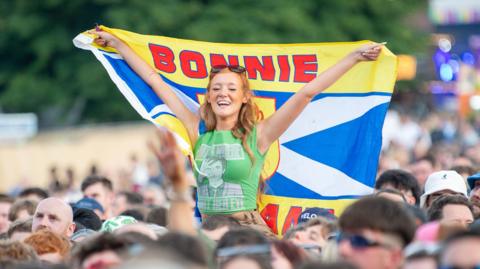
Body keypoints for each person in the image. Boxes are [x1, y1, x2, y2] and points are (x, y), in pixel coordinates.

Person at [92, 28, 382, 233]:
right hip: (206, 229)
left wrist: (353, 58)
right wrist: (118, 45)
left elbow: (306, 93)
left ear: (244, 97)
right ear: (207, 95)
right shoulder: (197, 130)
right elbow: (155, 81)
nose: (223, 93)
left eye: (231, 88)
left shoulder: (260, 135)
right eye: (216, 88)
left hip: (248, 230)